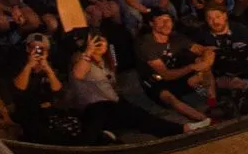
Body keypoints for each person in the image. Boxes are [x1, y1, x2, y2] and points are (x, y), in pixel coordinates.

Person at [67, 30, 201, 140]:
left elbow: (111, 83)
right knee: (128, 113)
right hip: (94, 108)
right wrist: (89, 52)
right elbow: (78, 75)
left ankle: (183, 128)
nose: (101, 45)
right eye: (97, 42)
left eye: (103, 41)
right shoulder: (81, 57)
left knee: (140, 115)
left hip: (112, 104)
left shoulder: (107, 60)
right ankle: (182, 129)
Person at [134, 9, 215, 125]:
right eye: (161, 20)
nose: (166, 24)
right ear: (152, 24)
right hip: (155, 81)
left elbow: (204, 50)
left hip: (177, 75)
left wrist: (206, 63)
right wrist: (193, 67)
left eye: (168, 20)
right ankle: (205, 120)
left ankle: (213, 104)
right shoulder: (146, 43)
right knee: (170, 98)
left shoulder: (176, 37)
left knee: (203, 63)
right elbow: (166, 75)